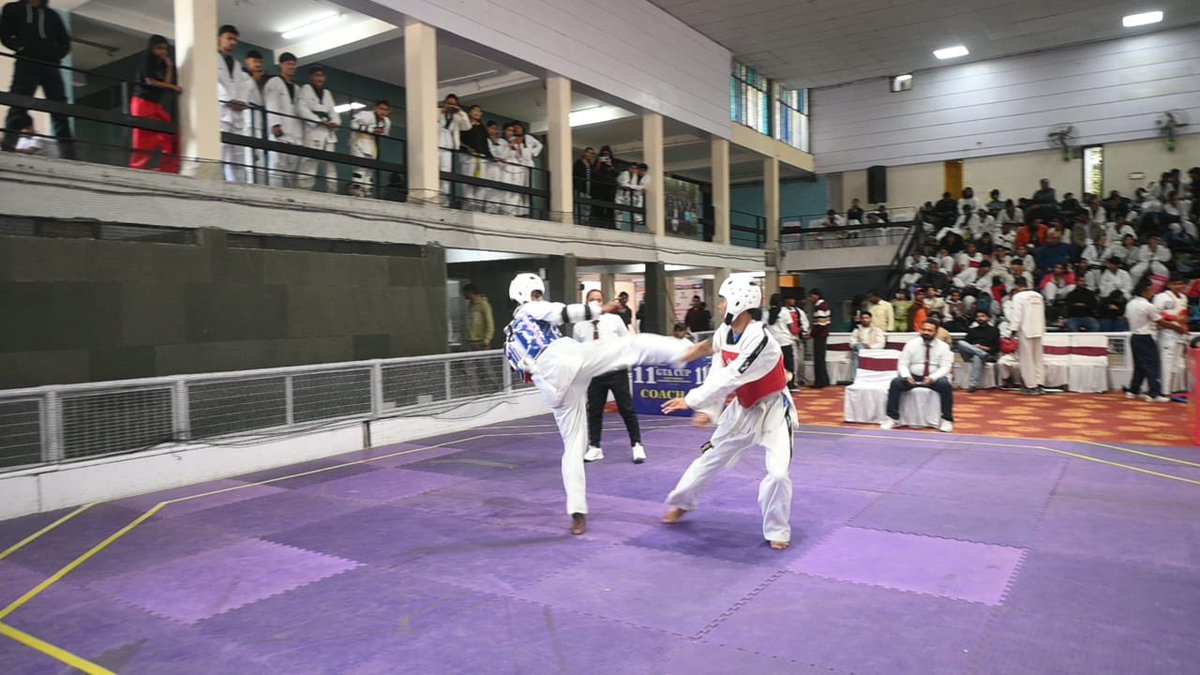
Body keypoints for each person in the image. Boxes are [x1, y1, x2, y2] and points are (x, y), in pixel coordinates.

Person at [503, 273, 689, 535]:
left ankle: (577, 512)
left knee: (573, 447)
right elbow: (562, 313)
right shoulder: (531, 308)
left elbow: (524, 375)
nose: (539, 298)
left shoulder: (509, 338)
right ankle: (685, 351)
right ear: (528, 295)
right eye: (536, 294)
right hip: (563, 361)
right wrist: (600, 309)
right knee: (630, 346)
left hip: (553, 389)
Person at [660, 275, 795, 551]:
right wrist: (709, 410)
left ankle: (777, 529)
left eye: (722, 301)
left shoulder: (761, 341)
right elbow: (714, 362)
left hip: (774, 412)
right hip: (742, 410)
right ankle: (683, 503)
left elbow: (730, 377)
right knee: (708, 458)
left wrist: (691, 400)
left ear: (738, 302)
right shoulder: (725, 332)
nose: (720, 306)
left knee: (778, 474)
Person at [572, 289, 646, 464]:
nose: (595, 302)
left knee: (626, 408)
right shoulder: (579, 325)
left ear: (603, 301)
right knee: (595, 411)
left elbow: (627, 340)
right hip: (594, 373)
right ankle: (595, 446)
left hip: (615, 370)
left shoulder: (614, 320)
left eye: (598, 299)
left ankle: (637, 445)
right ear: (586, 302)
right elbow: (577, 350)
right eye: (592, 300)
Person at [1, 0, 72, 155]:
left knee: (59, 107)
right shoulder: (13, 8)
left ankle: (68, 153)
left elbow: (65, 41)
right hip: (27, 62)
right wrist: (21, 47)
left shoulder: (52, 15)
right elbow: (5, 34)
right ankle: (8, 146)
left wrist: (55, 54)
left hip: (50, 65)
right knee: (18, 102)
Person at [880, 319, 955, 432]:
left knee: (946, 385)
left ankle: (946, 420)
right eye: (924, 329)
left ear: (936, 332)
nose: (926, 332)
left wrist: (933, 377)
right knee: (896, 383)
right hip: (913, 376)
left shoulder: (943, 346)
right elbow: (903, 363)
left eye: (929, 330)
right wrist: (907, 376)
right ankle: (892, 418)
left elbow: (945, 367)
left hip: (933, 377)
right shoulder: (911, 344)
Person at [128, 35, 181, 173]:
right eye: (159, 48)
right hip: (142, 102)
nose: (163, 51)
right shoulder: (147, 58)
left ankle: (168, 168)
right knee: (143, 138)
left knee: (170, 132)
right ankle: (137, 169)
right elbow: (150, 81)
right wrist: (173, 87)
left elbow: (166, 84)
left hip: (155, 104)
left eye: (165, 48)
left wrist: (169, 67)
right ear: (152, 48)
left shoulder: (162, 63)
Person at [1125, 281, 1182, 402]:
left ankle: (1133, 390)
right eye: (1151, 290)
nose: (1153, 293)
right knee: (1152, 365)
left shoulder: (1130, 304)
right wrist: (1177, 327)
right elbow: (1160, 321)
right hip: (1145, 337)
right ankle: (1154, 394)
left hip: (1134, 336)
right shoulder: (1148, 306)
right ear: (1144, 292)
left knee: (1139, 365)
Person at [217, 25, 253, 182]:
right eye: (229, 38)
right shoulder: (211, 59)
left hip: (237, 114)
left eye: (235, 40)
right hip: (221, 113)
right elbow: (212, 83)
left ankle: (239, 191)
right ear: (220, 38)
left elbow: (246, 85)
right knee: (220, 153)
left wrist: (242, 101)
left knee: (239, 156)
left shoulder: (237, 65)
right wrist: (227, 100)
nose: (233, 42)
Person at [296, 65, 340, 192]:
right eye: (317, 75)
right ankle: (304, 191)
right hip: (313, 131)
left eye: (322, 75)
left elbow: (333, 112)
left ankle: (333, 192)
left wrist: (335, 122)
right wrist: (319, 121)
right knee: (310, 162)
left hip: (328, 133)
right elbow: (302, 109)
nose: (320, 78)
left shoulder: (327, 93)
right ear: (311, 77)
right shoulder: (306, 89)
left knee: (330, 165)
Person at [263, 52, 302, 188]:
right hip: (280, 132)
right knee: (277, 168)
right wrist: (275, 124)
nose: (291, 67)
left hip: (295, 135)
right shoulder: (274, 82)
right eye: (288, 64)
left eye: (293, 64)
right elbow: (271, 103)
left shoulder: (297, 89)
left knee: (292, 172)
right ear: (281, 65)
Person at [1007, 276, 1046, 395]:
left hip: (1026, 329)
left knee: (1027, 359)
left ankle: (1031, 386)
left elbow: (1017, 315)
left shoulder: (1018, 297)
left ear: (1017, 286)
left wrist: (1013, 330)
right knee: (1038, 358)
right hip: (1039, 329)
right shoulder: (1038, 296)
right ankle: (1040, 384)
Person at [1153, 277, 1189, 394]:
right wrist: (1174, 320)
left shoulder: (1184, 298)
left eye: (1181, 283)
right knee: (1166, 362)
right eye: (1176, 284)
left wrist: (1183, 324)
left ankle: (1173, 388)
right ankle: (1164, 391)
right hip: (1167, 333)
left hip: (1180, 333)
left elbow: (1183, 315)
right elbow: (1156, 315)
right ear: (1169, 285)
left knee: (1176, 363)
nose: (1178, 286)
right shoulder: (1161, 297)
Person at [348, 100, 391, 198]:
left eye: (386, 110)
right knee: (360, 168)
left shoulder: (387, 121)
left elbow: (386, 133)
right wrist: (370, 130)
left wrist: (380, 132)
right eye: (381, 109)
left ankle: (367, 191)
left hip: (372, 144)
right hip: (359, 141)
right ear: (375, 108)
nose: (383, 112)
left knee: (370, 170)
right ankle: (356, 190)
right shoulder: (366, 115)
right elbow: (353, 124)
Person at [239, 49, 268, 183]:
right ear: (247, 61)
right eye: (255, 61)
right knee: (248, 157)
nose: (258, 65)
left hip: (257, 124)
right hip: (246, 122)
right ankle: (249, 184)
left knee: (259, 158)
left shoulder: (258, 82)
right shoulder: (241, 75)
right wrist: (253, 79)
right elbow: (242, 96)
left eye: (260, 62)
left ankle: (261, 185)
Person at [438, 94, 471, 205]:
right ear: (444, 103)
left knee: (446, 173)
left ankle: (444, 200)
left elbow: (467, 127)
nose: (451, 106)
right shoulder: (437, 111)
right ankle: (432, 197)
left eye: (453, 104)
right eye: (449, 103)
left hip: (448, 148)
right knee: (433, 171)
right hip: (435, 145)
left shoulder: (457, 117)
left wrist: (460, 112)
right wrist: (443, 111)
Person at [957, 310, 1000, 392]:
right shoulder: (972, 330)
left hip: (987, 355)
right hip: (970, 354)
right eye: (978, 316)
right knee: (960, 342)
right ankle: (980, 353)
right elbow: (966, 345)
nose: (979, 318)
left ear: (988, 318)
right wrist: (975, 348)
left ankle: (973, 385)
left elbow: (997, 348)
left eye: (982, 316)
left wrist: (983, 348)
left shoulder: (994, 331)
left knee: (977, 357)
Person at [765, 294, 797, 389]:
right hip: (785, 342)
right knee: (788, 365)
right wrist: (793, 335)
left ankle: (775, 384)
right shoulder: (785, 312)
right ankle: (790, 385)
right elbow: (791, 327)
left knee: (774, 366)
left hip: (772, 344)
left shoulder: (766, 313)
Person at [848, 310, 886, 381]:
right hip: (859, 350)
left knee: (858, 353)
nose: (865, 320)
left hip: (872, 351)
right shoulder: (857, 330)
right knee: (859, 348)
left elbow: (881, 344)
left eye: (867, 318)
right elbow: (851, 343)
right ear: (860, 319)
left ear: (870, 319)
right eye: (863, 318)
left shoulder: (877, 330)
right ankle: (856, 377)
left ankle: (855, 377)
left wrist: (870, 347)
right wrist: (859, 346)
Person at [785, 296, 810, 387]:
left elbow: (805, 323)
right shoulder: (783, 312)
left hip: (798, 338)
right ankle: (793, 380)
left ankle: (800, 378)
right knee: (793, 360)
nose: (792, 300)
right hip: (788, 339)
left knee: (800, 360)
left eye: (793, 299)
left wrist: (803, 330)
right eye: (790, 298)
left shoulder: (799, 311)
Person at [809, 288, 831, 388]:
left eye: (811, 296)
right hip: (823, 335)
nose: (810, 299)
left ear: (816, 296)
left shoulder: (820, 307)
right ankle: (824, 380)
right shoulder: (824, 305)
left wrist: (812, 334)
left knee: (818, 360)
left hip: (819, 336)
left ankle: (820, 382)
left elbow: (820, 323)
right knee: (821, 359)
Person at [462, 283, 494, 350]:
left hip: (481, 342)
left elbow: (490, 323)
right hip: (470, 342)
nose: (464, 295)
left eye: (465, 293)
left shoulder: (483, 304)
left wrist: (487, 339)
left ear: (470, 292)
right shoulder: (470, 305)